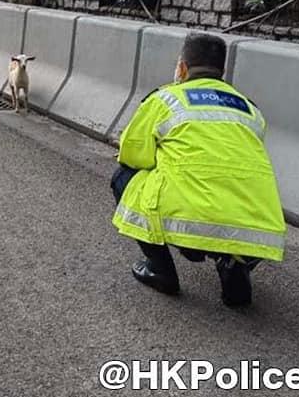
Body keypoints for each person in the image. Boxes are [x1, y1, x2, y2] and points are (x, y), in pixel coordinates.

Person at [110, 32, 285, 307]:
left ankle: (160, 270)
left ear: (182, 67)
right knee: (240, 189)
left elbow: (132, 156)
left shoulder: (165, 99)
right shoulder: (250, 109)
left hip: (188, 217)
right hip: (253, 222)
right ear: (222, 72)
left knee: (124, 178)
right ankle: (234, 263)